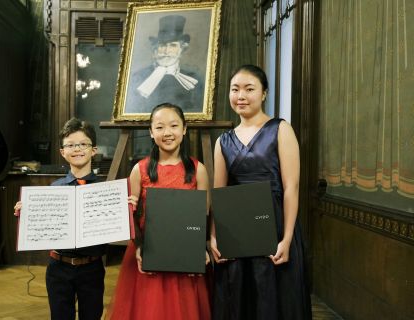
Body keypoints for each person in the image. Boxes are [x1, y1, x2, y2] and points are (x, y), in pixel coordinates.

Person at [209, 65, 312, 319]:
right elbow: (219, 194)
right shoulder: (223, 141)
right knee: (240, 300)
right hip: (238, 232)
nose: (240, 95)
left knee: (274, 298)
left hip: (275, 226)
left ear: (264, 93)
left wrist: (287, 239)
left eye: (249, 89)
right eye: (235, 90)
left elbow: (291, 188)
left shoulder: (280, 129)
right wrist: (214, 237)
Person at [14, 118, 135, 320]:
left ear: (93, 150)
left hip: (92, 268)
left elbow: (116, 226)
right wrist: (27, 212)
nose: (77, 149)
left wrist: (125, 209)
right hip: (58, 268)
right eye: (70, 145)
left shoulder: (107, 191)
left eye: (83, 144)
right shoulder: (53, 189)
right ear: (62, 152)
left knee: (92, 316)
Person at [106, 103, 211, 320]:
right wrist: (139, 247)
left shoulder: (198, 169)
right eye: (160, 127)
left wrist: (199, 250)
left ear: (184, 129)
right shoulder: (140, 169)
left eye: (173, 126)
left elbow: (203, 216)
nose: (167, 133)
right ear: (151, 132)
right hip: (147, 253)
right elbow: (132, 214)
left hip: (185, 257)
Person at [125, 15, 204, 114]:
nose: (167, 51)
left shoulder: (194, 80)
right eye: (162, 45)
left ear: (182, 49)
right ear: (155, 50)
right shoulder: (138, 78)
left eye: (173, 45)